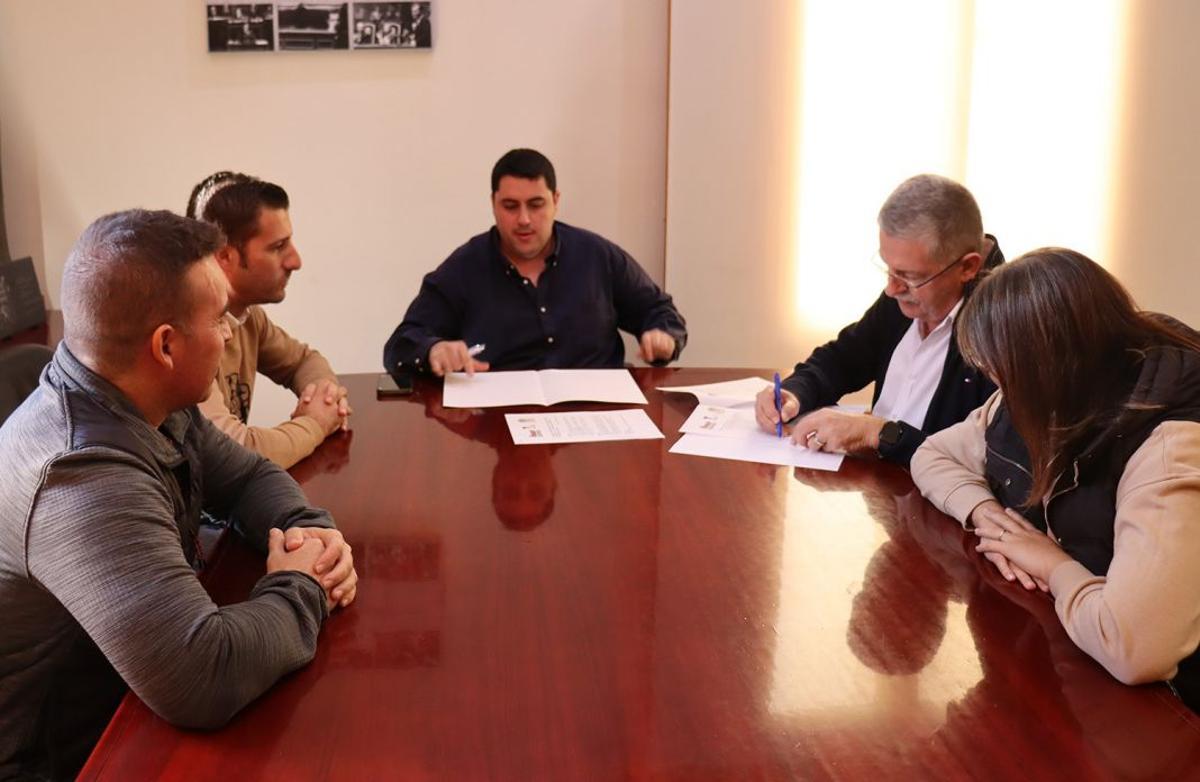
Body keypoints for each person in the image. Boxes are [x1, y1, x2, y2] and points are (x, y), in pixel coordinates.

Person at [0, 210, 359, 779]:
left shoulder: (141, 394)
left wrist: (309, 529)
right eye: (219, 318)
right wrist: (304, 582)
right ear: (166, 346)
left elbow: (247, 477)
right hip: (66, 755)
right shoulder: (82, 476)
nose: (227, 334)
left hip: (122, 690)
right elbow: (205, 676)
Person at [911, 248, 1200, 710]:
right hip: (1074, 657)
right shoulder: (1038, 396)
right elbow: (935, 454)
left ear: (1046, 364)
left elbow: (1134, 648)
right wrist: (989, 517)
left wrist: (1051, 564)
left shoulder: (1170, 442)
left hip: (1173, 710)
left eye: (999, 370)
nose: (996, 385)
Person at [754, 174, 1003, 466]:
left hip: (936, 503)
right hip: (882, 487)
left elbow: (984, 459)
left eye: (910, 277)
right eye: (889, 269)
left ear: (967, 267)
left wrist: (878, 433)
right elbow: (842, 360)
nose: (891, 289)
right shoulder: (905, 301)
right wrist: (794, 393)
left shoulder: (1001, 332)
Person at [383, 148, 687, 377]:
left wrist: (663, 338)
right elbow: (400, 346)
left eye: (536, 204)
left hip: (595, 420)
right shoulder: (466, 267)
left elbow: (659, 312)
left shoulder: (596, 255)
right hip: (500, 425)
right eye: (511, 207)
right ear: (493, 205)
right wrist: (434, 350)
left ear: (556, 200)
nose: (524, 220)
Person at [187, 171, 350, 469]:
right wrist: (315, 423)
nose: (295, 261)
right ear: (225, 256)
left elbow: (304, 361)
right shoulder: (188, 334)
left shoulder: (248, 317)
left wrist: (323, 398)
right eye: (278, 247)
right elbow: (236, 453)